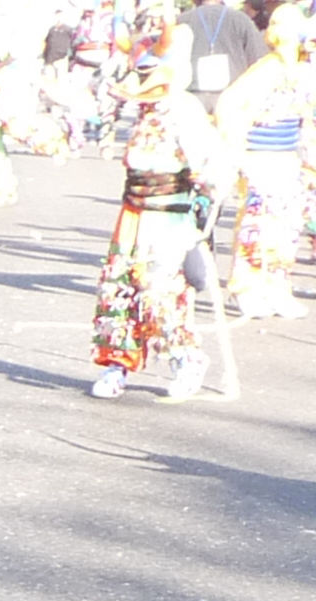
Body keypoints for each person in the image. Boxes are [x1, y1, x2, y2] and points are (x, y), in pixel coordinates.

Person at [89, 13, 230, 398]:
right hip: (133, 217)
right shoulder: (145, 113)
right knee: (120, 289)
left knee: (161, 292)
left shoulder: (184, 111)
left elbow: (214, 165)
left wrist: (204, 205)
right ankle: (117, 364)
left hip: (169, 217)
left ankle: (186, 360)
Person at [215, 3, 313, 316]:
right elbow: (229, 105)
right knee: (257, 222)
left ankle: (276, 285)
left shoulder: (298, 72)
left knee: (286, 226)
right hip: (260, 155)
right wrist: (236, 148)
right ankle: (246, 286)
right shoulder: (267, 69)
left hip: (288, 156)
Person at [0, 0, 72, 207]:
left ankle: (56, 138)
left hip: (11, 76)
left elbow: (23, 47)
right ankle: (2, 188)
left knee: (16, 127)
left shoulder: (17, 10)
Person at [178, 0, 267, 112]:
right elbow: (259, 61)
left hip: (191, 103)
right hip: (233, 102)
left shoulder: (182, 21)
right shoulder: (241, 19)